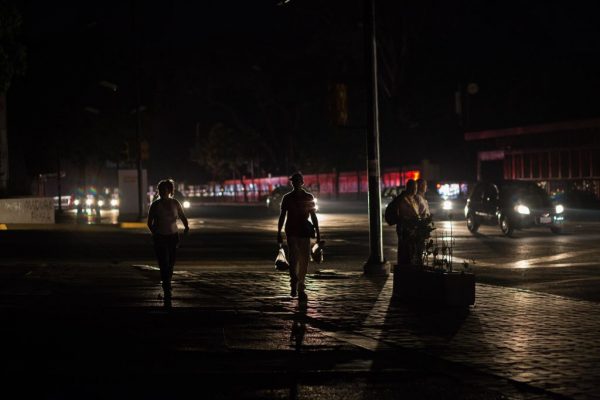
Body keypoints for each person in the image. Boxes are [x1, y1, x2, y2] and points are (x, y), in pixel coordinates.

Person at [277, 172, 320, 303]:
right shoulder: (303, 197)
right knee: (300, 259)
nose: (296, 183)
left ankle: (297, 283)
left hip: (297, 231)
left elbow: (313, 216)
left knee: (298, 259)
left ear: (299, 183)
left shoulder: (289, 198)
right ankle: (297, 283)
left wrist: (279, 232)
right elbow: (283, 215)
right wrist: (318, 232)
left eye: (296, 181)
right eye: (295, 181)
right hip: (297, 232)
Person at [147, 179, 189, 307]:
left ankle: (167, 281)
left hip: (173, 236)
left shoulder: (175, 203)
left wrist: (186, 226)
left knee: (171, 262)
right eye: (162, 189)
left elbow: (182, 216)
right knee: (163, 262)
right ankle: (166, 285)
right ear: (159, 191)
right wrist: (154, 232)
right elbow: (149, 222)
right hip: (160, 236)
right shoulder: (155, 205)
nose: (164, 191)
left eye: (166, 189)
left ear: (170, 191)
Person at [394, 179, 420, 266]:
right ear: (408, 188)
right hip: (405, 229)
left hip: (413, 229)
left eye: (415, 188)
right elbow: (403, 214)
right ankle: (404, 268)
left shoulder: (413, 199)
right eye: (412, 188)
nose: (414, 190)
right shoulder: (403, 199)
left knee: (412, 251)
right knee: (405, 251)